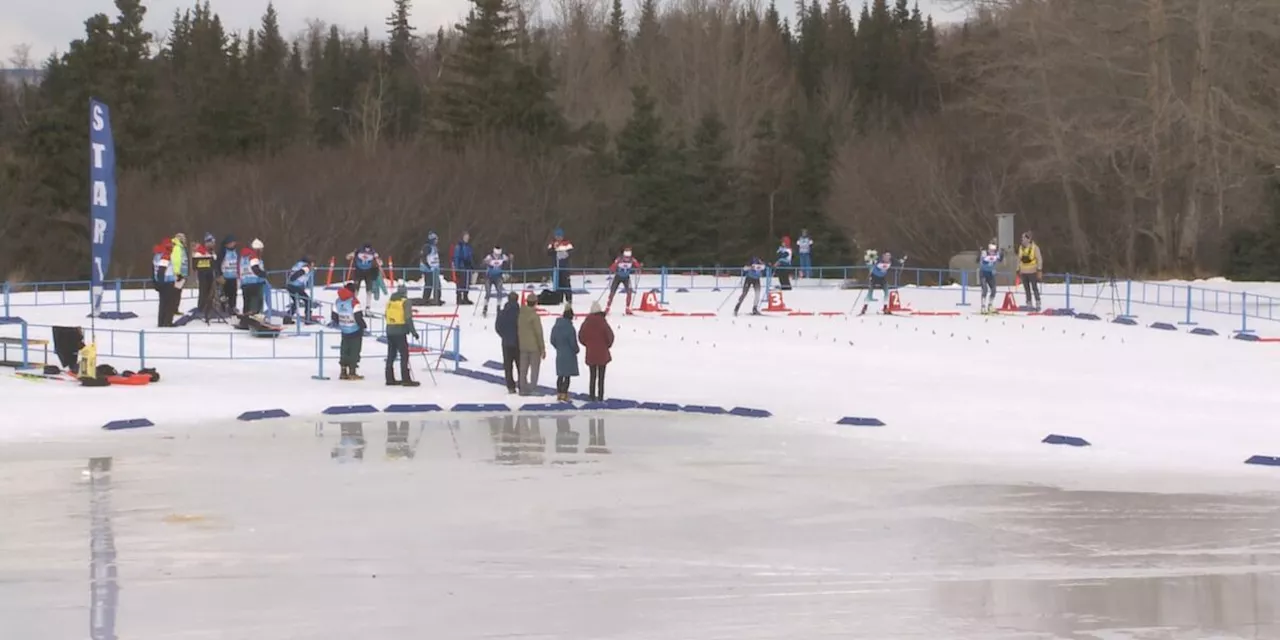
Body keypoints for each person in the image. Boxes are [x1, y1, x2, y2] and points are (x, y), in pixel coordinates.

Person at [384, 281, 420, 387]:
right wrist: (414, 332)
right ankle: (406, 379)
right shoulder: (406, 302)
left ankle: (389, 378)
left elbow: (386, 315)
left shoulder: (390, 301)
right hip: (400, 331)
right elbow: (408, 318)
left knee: (391, 355)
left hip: (389, 330)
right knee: (404, 355)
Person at [577, 301, 614, 402]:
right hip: (602, 354)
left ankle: (592, 396)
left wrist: (588, 344)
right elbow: (610, 336)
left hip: (591, 353)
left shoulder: (586, 322)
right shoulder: (603, 322)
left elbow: (581, 337)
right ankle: (600, 396)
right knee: (601, 377)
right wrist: (607, 345)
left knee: (592, 376)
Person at [332, 283, 367, 380]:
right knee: (354, 350)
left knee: (344, 350)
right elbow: (358, 317)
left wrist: (341, 324)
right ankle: (352, 372)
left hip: (344, 329)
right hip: (355, 330)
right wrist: (363, 326)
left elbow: (334, 317)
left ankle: (343, 372)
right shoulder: (354, 302)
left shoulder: (338, 301)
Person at [516, 295, 546, 396]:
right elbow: (538, 333)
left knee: (523, 368)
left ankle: (522, 388)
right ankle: (532, 388)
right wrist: (542, 348)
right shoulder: (534, 316)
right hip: (534, 347)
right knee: (534, 369)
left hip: (522, 345)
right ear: (535, 302)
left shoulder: (520, 314)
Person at [550, 306, 580, 402]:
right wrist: (576, 350)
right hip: (569, 355)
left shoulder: (556, 326)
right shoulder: (570, 328)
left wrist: (558, 347)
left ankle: (559, 393)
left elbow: (552, 340)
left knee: (560, 375)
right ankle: (564, 393)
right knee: (567, 376)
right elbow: (573, 343)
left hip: (560, 353)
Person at [495, 292, 521, 393]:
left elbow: (498, 327)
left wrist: (504, 336)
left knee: (508, 366)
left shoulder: (502, 313)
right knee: (520, 365)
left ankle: (510, 386)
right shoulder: (520, 312)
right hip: (518, 342)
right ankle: (521, 384)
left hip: (506, 343)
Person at [346, 242, 382, 309]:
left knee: (369, 289)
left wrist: (377, 258)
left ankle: (368, 305)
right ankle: (354, 303)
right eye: (366, 249)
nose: (367, 250)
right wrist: (351, 255)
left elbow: (380, 263)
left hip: (368, 272)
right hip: (358, 271)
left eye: (368, 249)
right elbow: (347, 257)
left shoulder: (373, 252)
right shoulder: (358, 251)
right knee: (356, 288)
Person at [606, 247, 642, 314]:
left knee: (629, 292)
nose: (627, 259)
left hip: (626, 278)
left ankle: (627, 308)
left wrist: (639, 267)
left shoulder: (632, 260)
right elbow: (612, 266)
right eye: (626, 257)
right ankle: (607, 307)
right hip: (618, 277)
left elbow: (637, 265)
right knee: (612, 292)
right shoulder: (619, 259)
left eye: (628, 257)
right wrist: (613, 268)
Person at [481, 246, 512, 318]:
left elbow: (508, 260)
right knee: (488, 293)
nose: (497, 256)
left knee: (499, 292)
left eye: (498, 254)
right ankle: (485, 307)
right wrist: (486, 262)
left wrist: (510, 258)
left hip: (498, 277)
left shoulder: (503, 256)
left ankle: (498, 307)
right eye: (496, 254)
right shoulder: (489, 256)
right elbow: (483, 262)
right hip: (489, 277)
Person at [192, 233, 217, 319]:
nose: (213, 244)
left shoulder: (211, 251)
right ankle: (201, 308)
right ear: (207, 243)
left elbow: (214, 260)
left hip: (210, 274)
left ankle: (208, 308)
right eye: (212, 242)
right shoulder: (200, 252)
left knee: (210, 292)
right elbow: (196, 263)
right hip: (202, 275)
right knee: (203, 292)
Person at [238, 239, 266, 317]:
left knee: (247, 303)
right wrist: (263, 275)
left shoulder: (243, 257)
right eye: (261, 249)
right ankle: (255, 319)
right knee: (255, 304)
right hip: (254, 283)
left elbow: (239, 269)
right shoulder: (253, 256)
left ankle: (245, 319)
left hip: (244, 283)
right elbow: (255, 269)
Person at [153, 238, 177, 327]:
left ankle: (161, 321)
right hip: (167, 282)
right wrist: (161, 282)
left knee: (163, 303)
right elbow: (162, 270)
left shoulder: (157, 255)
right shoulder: (166, 255)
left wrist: (156, 283)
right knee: (169, 303)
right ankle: (167, 322)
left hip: (161, 282)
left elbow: (153, 270)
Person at [547, 228, 574, 304]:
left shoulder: (567, 244)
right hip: (556, 267)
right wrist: (553, 249)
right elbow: (548, 253)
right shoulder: (552, 244)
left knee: (566, 283)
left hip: (565, 267)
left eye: (560, 236)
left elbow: (571, 252)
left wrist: (565, 254)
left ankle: (569, 298)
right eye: (557, 236)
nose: (558, 238)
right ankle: (558, 298)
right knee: (557, 283)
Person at [1018, 231, 1043, 310]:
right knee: (1026, 288)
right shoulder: (1021, 248)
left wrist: (1039, 269)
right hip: (1023, 271)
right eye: (1022, 238)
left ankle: (1038, 302)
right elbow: (1018, 259)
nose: (1023, 240)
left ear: (1029, 239)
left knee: (1034, 288)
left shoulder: (1035, 248)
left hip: (1032, 271)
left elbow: (1039, 259)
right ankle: (1029, 302)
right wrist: (1017, 269)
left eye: (1024, 238)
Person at [215, 235, 239, 313]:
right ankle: (223, 308)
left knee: (233, 294)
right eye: (231, 243)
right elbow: (217, 264)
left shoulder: (235, 251)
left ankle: (232, 307)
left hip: (233, 276)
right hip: (225, 276)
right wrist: (219, 274)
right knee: (224, 294)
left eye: (234, 242)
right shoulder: (223, 251)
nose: (233, 244)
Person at [977, 241, 1002, 313]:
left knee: (994, 289)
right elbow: (981, 260)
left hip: (990, 274)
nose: (992, 252)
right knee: (985, 289)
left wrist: (1002, 254)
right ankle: (983, 306)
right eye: (991, 250)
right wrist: (980, 254)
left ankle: (990, 305)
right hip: (983, 273)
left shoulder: (996, 254)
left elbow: (1000, 259)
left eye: (993, 250)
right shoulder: (984, 253)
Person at [419, 231, 443, 306]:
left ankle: (437, 298)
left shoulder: (434, 247)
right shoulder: (427, 247)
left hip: (434, 269)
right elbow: (423, 257)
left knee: (437, 284)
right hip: (428, 269)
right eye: (435, 239)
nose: (437, 241)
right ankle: (426, 299)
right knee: (429, 284)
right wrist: (429, 266)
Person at [452, 232, 475, 305]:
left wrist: (472, 265)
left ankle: (465, 297)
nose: (467, 238)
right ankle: (459, 298)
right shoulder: (459, 246)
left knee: (467, 283)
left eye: (468, 237)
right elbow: (456, 257)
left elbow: (470, 256)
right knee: (460, 283)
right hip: (461, 267)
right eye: (465, 237)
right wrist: (457, 269)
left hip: (467, 267)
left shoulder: (468, 246)